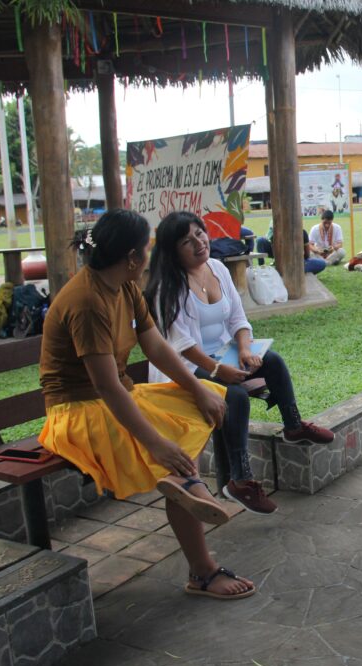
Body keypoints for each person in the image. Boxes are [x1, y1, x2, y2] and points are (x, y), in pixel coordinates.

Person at [38, 209, 255, 599]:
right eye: (147, 249)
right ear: (133, 258)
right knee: (169, 454)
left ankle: (186, 485)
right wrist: (156, 443)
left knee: (206, 406)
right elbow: (105, 387)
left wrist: (197, 388)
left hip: (119, 396)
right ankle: (200, 555)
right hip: (78, 411)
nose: (150, 256)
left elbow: (155, 346)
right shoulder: (87, 301)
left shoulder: (123, 286)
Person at [144, 211, 334, 512]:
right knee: (233, 398)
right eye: (186, 241)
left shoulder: (217, 268)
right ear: (172, 252)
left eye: (199, 233)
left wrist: (245, 349)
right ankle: (240, 480)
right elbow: (181, 345)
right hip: (186, 369)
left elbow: (237, 318)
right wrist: (219, 370)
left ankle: (293, 426)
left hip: (222, 356)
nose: (198, 243)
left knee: (272, 362)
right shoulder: (167, 286)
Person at [255, 219, 326, 275]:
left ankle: (262, 267)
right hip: (295, 265)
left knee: (259, 240)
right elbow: (307, 255)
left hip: (280, 263)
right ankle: (298, 271)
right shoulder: (301, 232)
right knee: (322, 263)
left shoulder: (275, 232)